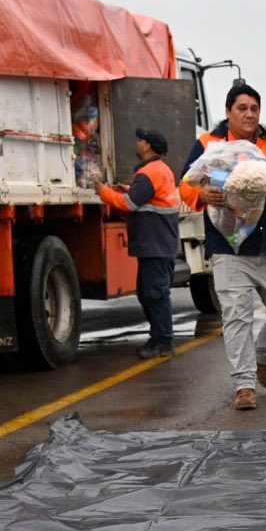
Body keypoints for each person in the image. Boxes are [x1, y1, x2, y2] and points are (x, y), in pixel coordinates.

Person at [179, 81, 266, 411]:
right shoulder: (209, 143)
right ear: (228, 112)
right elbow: (185, 184)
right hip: (228, 245)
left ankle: (261, 357)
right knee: (236, 317)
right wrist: (201, 195)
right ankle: (244, 385)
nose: (249, 114)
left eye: (254, 108)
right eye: (242, 108)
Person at [98, 128, 181, 358]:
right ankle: (159, 339)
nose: (137, 143)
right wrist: (127, 189)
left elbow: (129, 204)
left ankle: (164, 342)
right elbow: (145, 197)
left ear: (148, 146)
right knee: (148, 293)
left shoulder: (149, 173)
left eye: (140, 140)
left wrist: (103, 192)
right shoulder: (159, 170)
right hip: (158, 244)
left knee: (155, 294)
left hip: (156, 245)